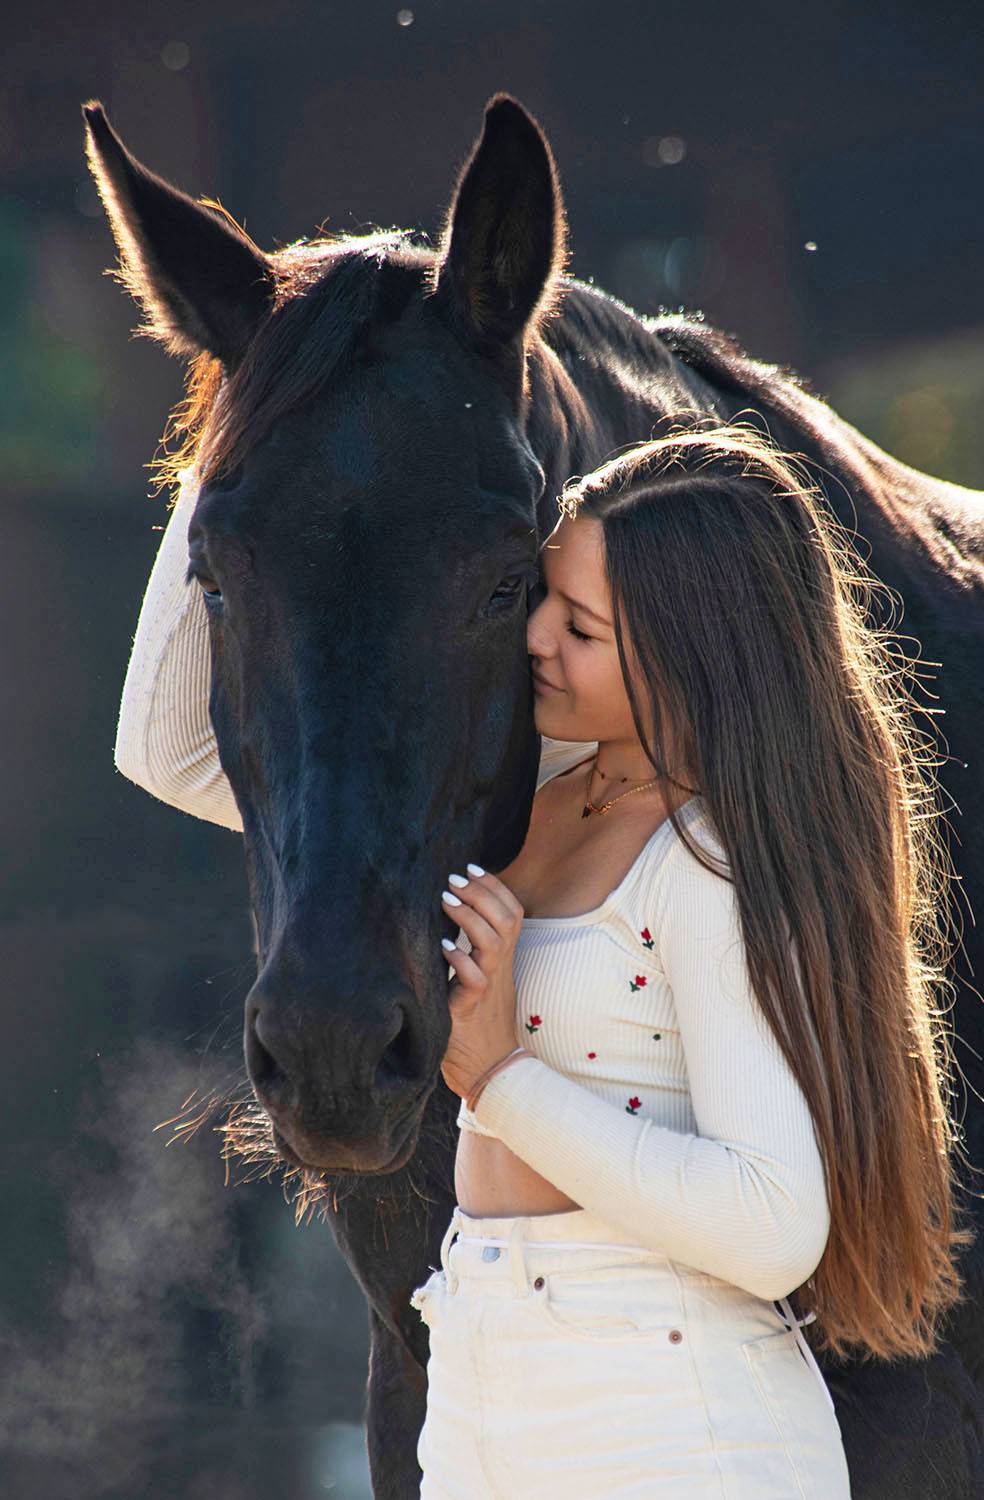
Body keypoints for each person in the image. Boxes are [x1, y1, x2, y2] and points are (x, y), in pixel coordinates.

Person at [115, 421, 971, 1499]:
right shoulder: (522, 793)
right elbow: (172, 751)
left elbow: (770, 1225)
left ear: (690, 655)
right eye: (540, 599)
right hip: (485, 1391)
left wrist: (500, 1079)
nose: (535, 639)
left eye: (581, 627)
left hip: (673, 1420)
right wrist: (245, 428)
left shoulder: (709, 863)